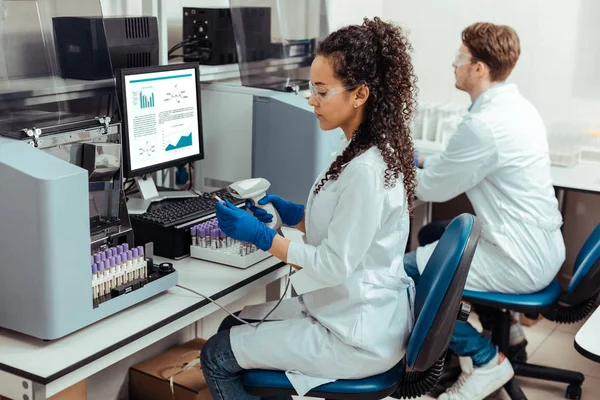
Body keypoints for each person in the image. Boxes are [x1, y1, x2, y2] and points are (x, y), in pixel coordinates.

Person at [199, 17, 418, 400]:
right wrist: (293, 214)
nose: (310, 100)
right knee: (232, 324)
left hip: (355, 335)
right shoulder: (359, 147)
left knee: (217, 354)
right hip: (348, 310)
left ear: (359, 94)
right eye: (309, 89)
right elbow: (349, 225)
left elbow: (335, 263)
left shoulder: (367, 168)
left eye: (321, 91)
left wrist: (263, 237)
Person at [407, 22, 566, 400]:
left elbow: (433, 187)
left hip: (517, 259)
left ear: (479, 67)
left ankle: (485, 359)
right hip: (541, 246)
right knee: (434, 234)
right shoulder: (517, 107)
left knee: (406, 278)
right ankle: (504, 326)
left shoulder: (484, 125)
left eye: (459, 58)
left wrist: (393, 167)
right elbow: (461, 164)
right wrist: (424, 159)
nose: (454, 64)